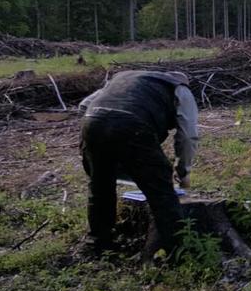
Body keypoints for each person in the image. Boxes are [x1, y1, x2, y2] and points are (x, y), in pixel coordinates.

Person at [78, 70, 199, 254]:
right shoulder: (180, 89)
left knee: (100, 185)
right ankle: (178, 251)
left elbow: (84, 106)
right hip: (132, 124)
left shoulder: (125, 78)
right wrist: (183, 172)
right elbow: (188, 137)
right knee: (161, 191)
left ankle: (97, 244)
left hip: (92, 121)